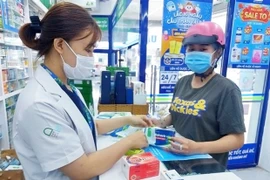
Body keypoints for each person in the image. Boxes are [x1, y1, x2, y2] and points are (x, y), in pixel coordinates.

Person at [13, 2, 151, 180]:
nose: (91, 57)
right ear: (60, 45)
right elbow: (81, 169)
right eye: (87, 49)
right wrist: (130, 141)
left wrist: (128, 119)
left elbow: (87, 127)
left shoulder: (65, 86)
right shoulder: (39, 104)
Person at [152, 22, 246, 167]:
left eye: (203, 49)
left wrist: (197, 147)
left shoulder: (227, 90)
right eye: (191, 49)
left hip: (206, 165)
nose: (196, 53)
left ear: (218, 52)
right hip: (176, 157)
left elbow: (237, 139)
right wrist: (159, 123)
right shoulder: (182, 82)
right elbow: (176, 115)